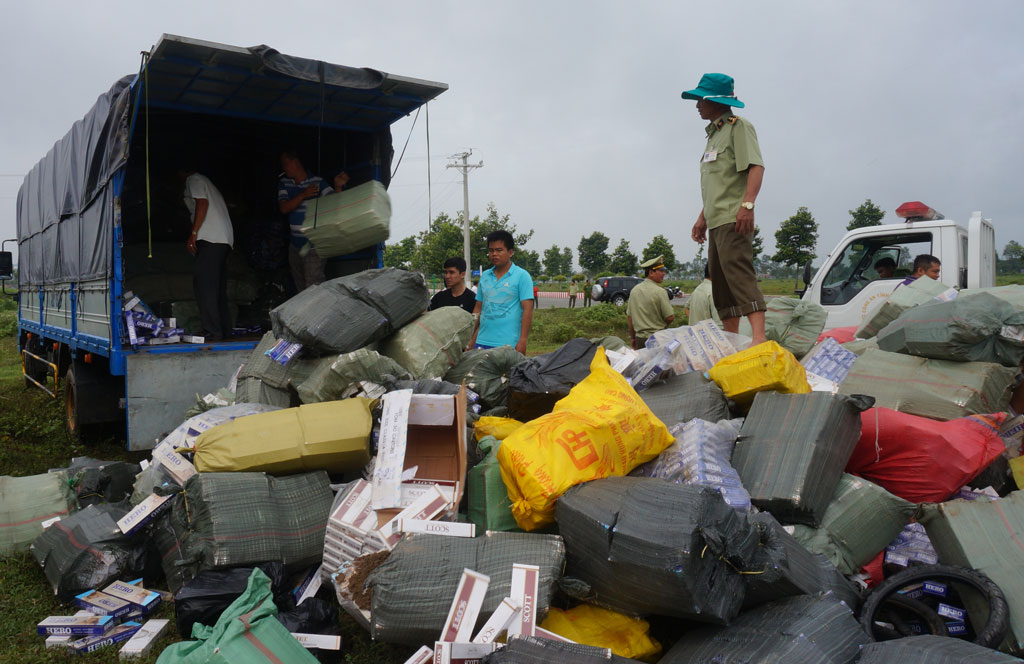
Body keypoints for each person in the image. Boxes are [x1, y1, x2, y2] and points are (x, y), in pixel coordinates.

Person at [683, 73, 767, 346]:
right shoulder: (713, 136)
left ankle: (758, 338)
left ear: (715, 101)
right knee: (722, 287)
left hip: (734, 217)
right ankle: (732, 341)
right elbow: (717, 184)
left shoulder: (738, 127)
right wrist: (701, 218)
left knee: (739, 276)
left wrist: (747, 205)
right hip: (716, 219)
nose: (697, 105)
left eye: (701, 100)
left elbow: (756, 166)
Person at [179, 168, 234, 341]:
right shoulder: (207, 182)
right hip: (223, 239)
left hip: (210, 238)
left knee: (205, 286)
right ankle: (223, 330)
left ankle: (212, 331)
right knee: (217, 288)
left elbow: (202, 203)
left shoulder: (194, 180)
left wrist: (193, 233)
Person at [466, 230, 535, 353]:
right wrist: (470, 338)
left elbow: (528, 309)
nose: (494, 254)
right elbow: (478, 309)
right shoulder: (485, 276)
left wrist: (523, 340)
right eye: (491, 250)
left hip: (509, 344)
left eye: (499, 250)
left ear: (510, 252)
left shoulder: (522, 276)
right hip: (482, 342)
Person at [278, 149, 335, 292]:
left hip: (314, 246)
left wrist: (338, 186)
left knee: (313, 288)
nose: (283, 168)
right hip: (295, 246)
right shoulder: (284, 183)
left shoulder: (318, 182)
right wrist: (303, 194)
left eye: (285, 164)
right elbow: (284, 208)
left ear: (295, 162)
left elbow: (335, 204)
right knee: (300, 287)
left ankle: (319, 315)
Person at [627, 255, 676, 349]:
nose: (664, 274)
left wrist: (633, 338)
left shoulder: (634, 290)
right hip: (658, 339)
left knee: (643, 363)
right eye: (661, 271)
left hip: (640, 339)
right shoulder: (660, 292)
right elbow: (670, 317)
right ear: (651, 272)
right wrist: (661, 327)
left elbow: (630, 317)